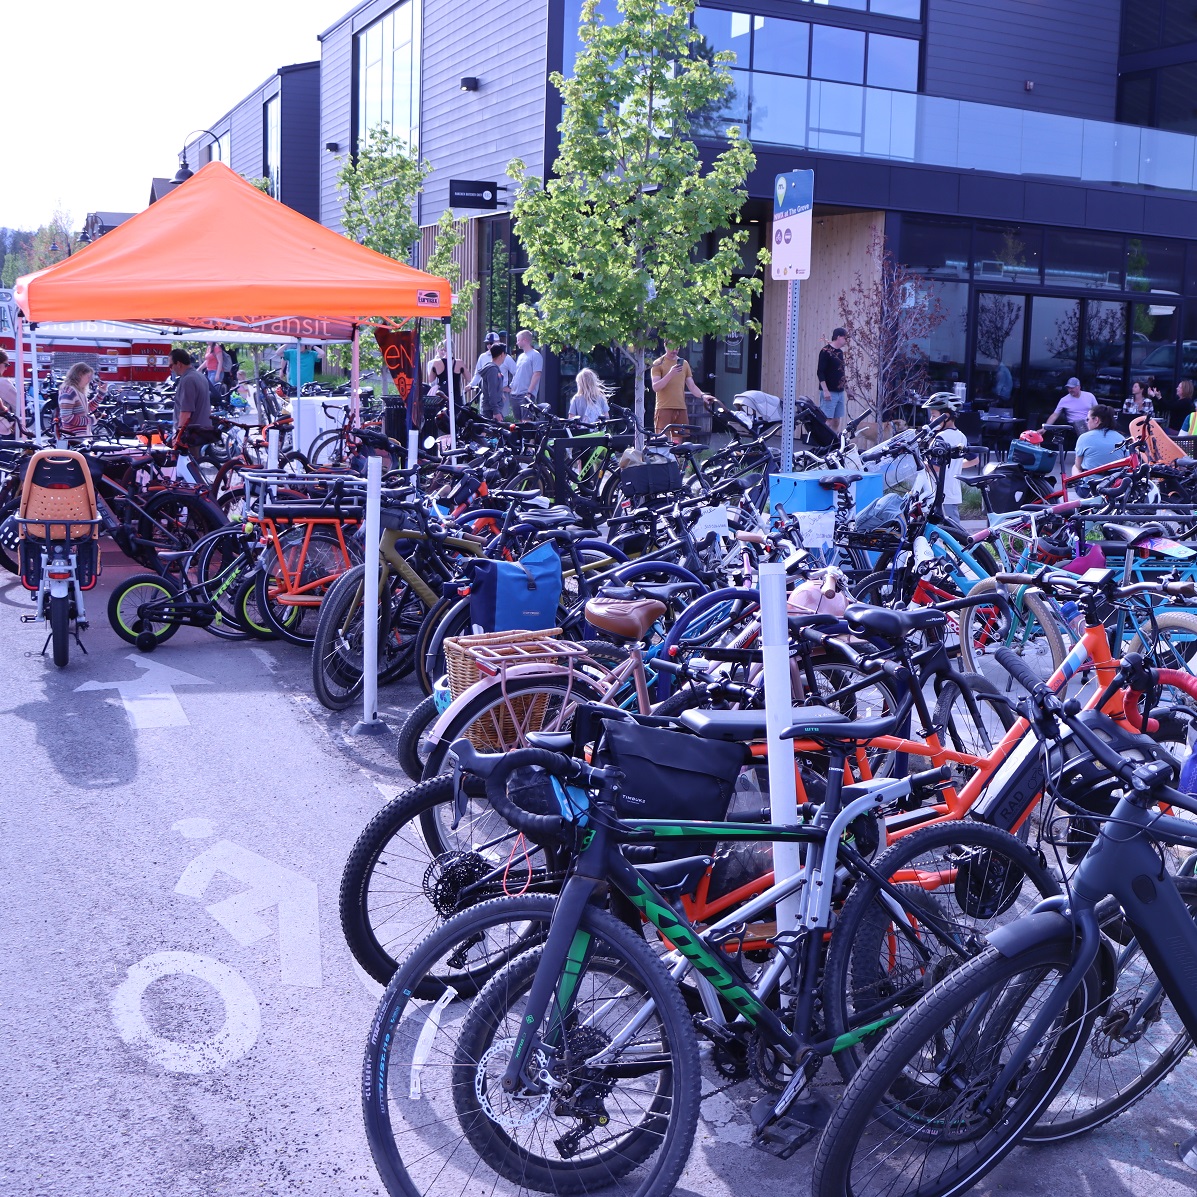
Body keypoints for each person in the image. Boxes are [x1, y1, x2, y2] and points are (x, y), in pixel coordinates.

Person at [913, 396, 977, 524]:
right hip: (952, 490)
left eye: (934, 415)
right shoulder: (961, 436)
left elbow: (935, 467)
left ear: (946, 416)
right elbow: (975, 460)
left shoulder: (941, 437)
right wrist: (955, 465)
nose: (931, 420)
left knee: (946, 528)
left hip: (940, 490)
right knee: (953, 527)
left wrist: (917, 463)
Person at [650, 345, 704, 434]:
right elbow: (656, 387)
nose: (674, 351)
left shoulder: (685, 364)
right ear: (665, 345)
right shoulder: (658, 363)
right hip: (664, 407)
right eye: (672, 347)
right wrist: (671, 373)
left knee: (679, 443)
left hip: (681, 407)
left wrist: (703, 395)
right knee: (662, 440)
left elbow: (692, 386)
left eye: (677, 348)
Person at [169, 348, 213, 449]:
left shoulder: (188, 380)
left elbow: (186, 412)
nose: (170, 369)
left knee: (187, 463)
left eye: (171, 365)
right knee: (196, 462)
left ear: (179, 364)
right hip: (200, 433)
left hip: (191, 436)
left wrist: (178, 437)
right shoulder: (199, 376)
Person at [816, 328, 849, 434]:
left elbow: (841, 373)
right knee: (827, 420)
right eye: (845, 338)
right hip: (829, 392)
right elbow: (820, 372)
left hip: (839, 392)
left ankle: (833, 443)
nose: (846, 341)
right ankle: (823, 443)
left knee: (836, 420)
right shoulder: (825, 351)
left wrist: (847, 390)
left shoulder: (839, 353)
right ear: (839, 337)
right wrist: (825, 390)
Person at [1074, 405, 1124, 471]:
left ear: (1096, 420)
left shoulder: (1084, 437)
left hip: (1091, 479)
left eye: (1088, 419)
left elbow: (1078, 466)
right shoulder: (1121, 438)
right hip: (1115, 479)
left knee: (1075, 468)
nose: (1087, 422)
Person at [510, 330, 544, 420]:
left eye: (518, 340)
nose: (517, 343)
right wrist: (511, 388)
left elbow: (537, 374)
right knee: (519, 422)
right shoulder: (521, 356)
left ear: (524, 340)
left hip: (525, 394)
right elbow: (517, 373)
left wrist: (529, 393)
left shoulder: (535, 355)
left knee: (527, 422)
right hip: (515, 394)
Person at [57, 362, 95, 438]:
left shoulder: (77, 391)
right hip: (73, 438)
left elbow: (87, 409)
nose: (89, 380)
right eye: (88, 376)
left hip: (80, 437)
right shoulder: (69, 392)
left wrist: (101, 393)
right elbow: (66, 418)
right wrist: (90, 420)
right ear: (80, 375)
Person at [478, 343, 510, 421]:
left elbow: (481, 384)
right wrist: (496, 412)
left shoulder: (492, 368)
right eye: (505, 354)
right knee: (489, 432)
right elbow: (492, 391)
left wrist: (500, 393)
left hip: (491, 408)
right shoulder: (492, 370)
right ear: (502, 354)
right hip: (491, 410)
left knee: (487, 431)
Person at [0, 350, 18, 436]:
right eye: (6, 365)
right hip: (3, 430)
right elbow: (18, 405)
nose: (6, 368)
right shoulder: (3, 383)